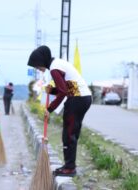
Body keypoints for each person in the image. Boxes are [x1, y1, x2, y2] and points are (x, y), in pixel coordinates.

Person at [27, 45, 92, 177]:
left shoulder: (55, 68)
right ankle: (69, 165)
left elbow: (63, 92)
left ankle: (69, 168)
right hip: (82, 97)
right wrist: (52, 90)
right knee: (71, 133)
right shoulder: (58, 64)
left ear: (42, 60)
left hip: (77, 99)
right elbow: (65, 88)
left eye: (37, 65)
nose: (37, 68)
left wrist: (49, 109)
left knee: (69, 134)